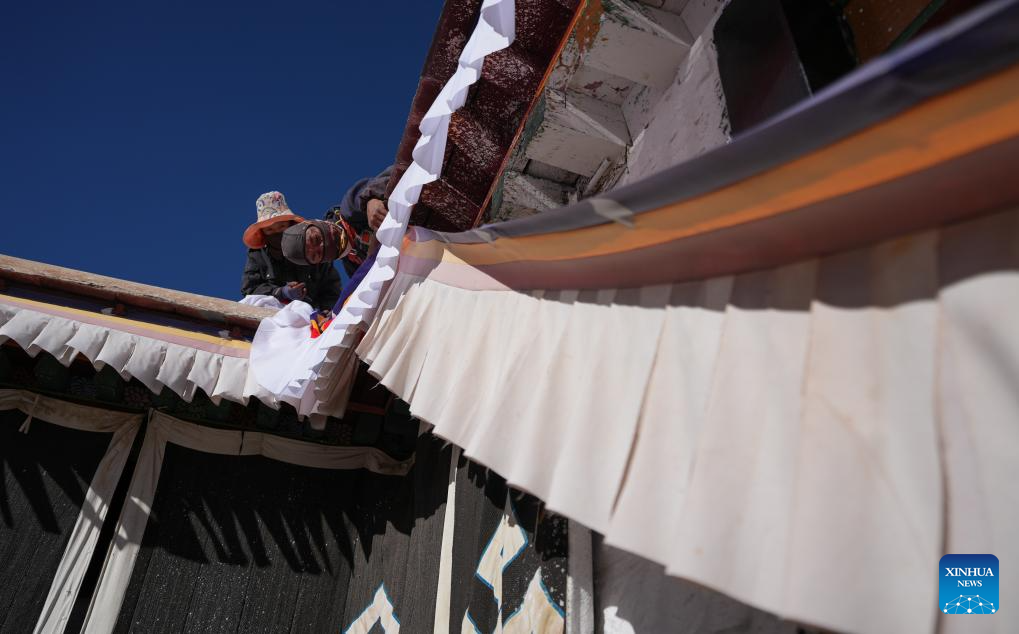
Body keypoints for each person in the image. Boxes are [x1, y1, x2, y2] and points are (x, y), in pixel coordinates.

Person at [240, 191, 341, 311]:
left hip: (312, 316)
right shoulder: (257, 255)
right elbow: (250, 289)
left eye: (281, 227)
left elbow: (331, 288)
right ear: (263, 233)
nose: (276, 233)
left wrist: (326, 312)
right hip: (270, 314)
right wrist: (281, 292)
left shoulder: (313, 245)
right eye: (270, 230)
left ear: (291, 225)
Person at [324, 166, 393, 276]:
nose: (322, 245)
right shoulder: (351, 264)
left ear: (318, 223)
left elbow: (362, 193)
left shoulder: (349, 209)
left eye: (316, 239)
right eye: (318, 254)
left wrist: (370, 199)